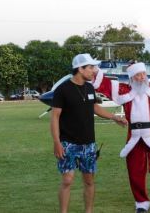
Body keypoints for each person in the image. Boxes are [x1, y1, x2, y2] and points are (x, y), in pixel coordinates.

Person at [92, 62, 150, 213]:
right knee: (135, 172)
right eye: (138, 75)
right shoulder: (124, 90)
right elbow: (104, 84)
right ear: (131, 78)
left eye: (143, 74)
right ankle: (141, 203)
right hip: (134, 138)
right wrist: (95, 70)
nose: (142, 77)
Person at [50, 53, 127, 213]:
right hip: (67, 143)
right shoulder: (62, 90)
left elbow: (94, 107)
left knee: (89, 181)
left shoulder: (90, 87)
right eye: (91, 67)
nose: (94, 71)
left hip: (89, 144)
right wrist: (57, 143)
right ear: (80, 68)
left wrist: (114, 117)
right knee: (67, 180)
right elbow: (55, 116)